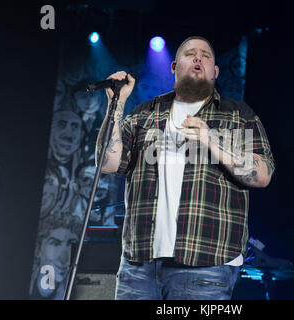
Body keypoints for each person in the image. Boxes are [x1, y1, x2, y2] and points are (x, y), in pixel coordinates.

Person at [95, 36, 275, 300]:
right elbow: (107, 162)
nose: (198, 58)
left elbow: (263, 175)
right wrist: (116, 104)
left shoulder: (238, 116)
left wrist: (212, 139)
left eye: (206, 55)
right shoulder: (145, 114)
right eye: (190, 53)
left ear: (215, 71)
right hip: (139, 266)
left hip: (206, 267)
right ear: (174, 66)